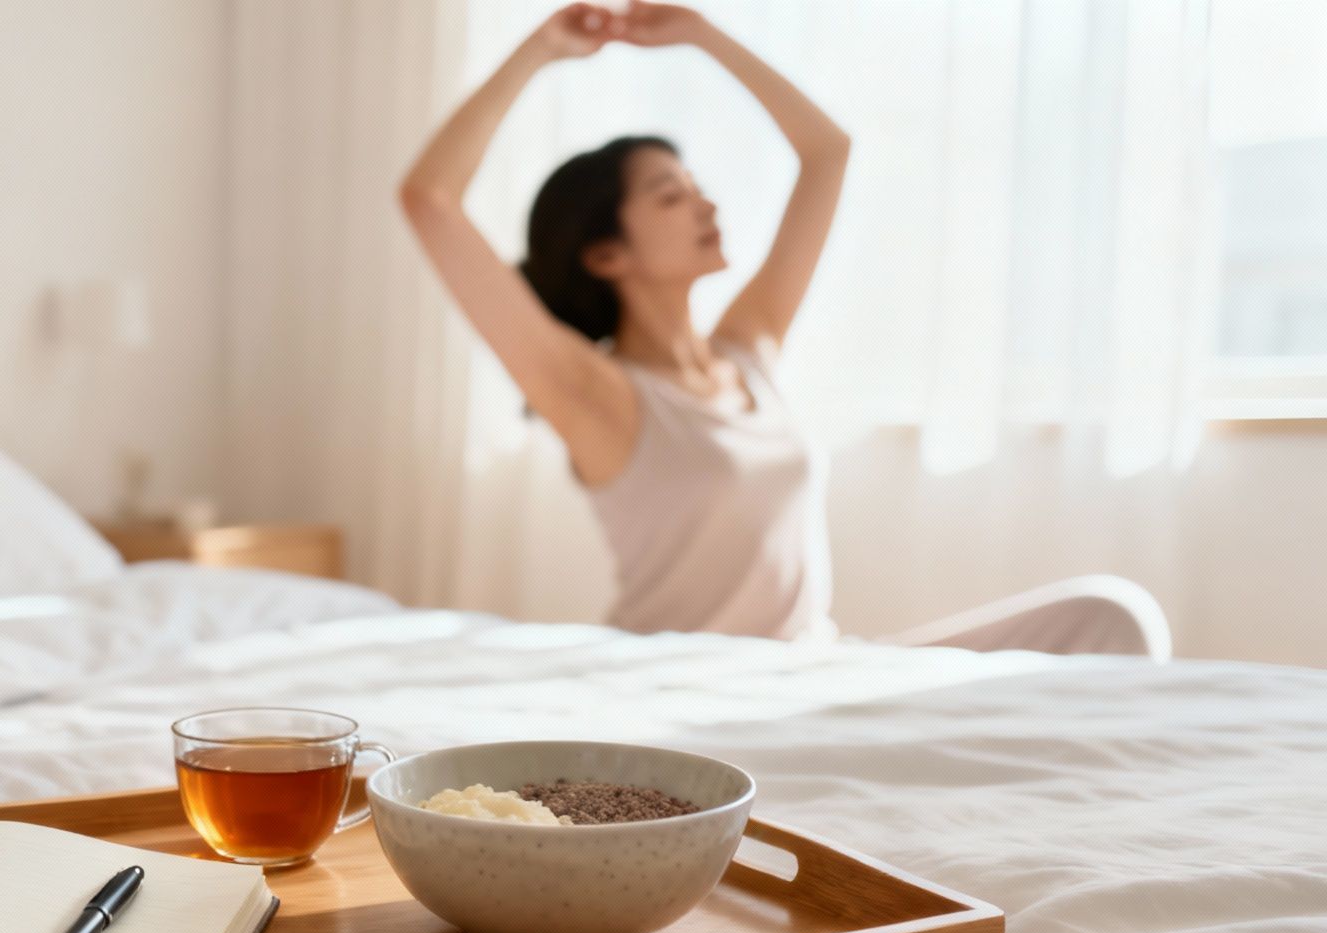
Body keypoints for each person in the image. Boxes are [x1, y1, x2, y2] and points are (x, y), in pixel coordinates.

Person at [398, 1, 1167, 658]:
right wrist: (540, 50)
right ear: (606, 253)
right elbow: (429, 199)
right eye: (671, 196)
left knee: (1109, 617)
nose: (707, 205)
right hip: (706, 695)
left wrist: (704, 35)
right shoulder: (593, 392)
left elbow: (828, 154)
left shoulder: (748, 351)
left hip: (823, 665)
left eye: (699, 187)